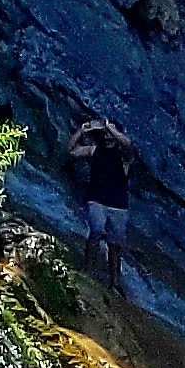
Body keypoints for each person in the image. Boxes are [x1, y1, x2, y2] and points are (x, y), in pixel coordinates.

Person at [65, 114, 137, 275]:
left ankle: (115, 282)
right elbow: (71, 151)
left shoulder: (124, 157)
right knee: (96, 231)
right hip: (96, 200)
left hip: (118, 205)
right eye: (105, 133)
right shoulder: (94, 150)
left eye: (110, 133)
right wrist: (82, 130)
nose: (107, 136)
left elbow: (128, 145)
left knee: (115, 245)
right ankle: (88, 269)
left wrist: (111, 128)